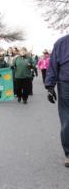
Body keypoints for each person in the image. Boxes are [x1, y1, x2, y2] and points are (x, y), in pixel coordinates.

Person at [45, 34, 69, 167]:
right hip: (66, 85)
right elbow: (53, 66)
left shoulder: (61, 43)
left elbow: (53, 66)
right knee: (67, 118)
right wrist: (50, 86)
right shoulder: (61, 43)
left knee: (67, 118)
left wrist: (50, 86)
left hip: (65, 83)